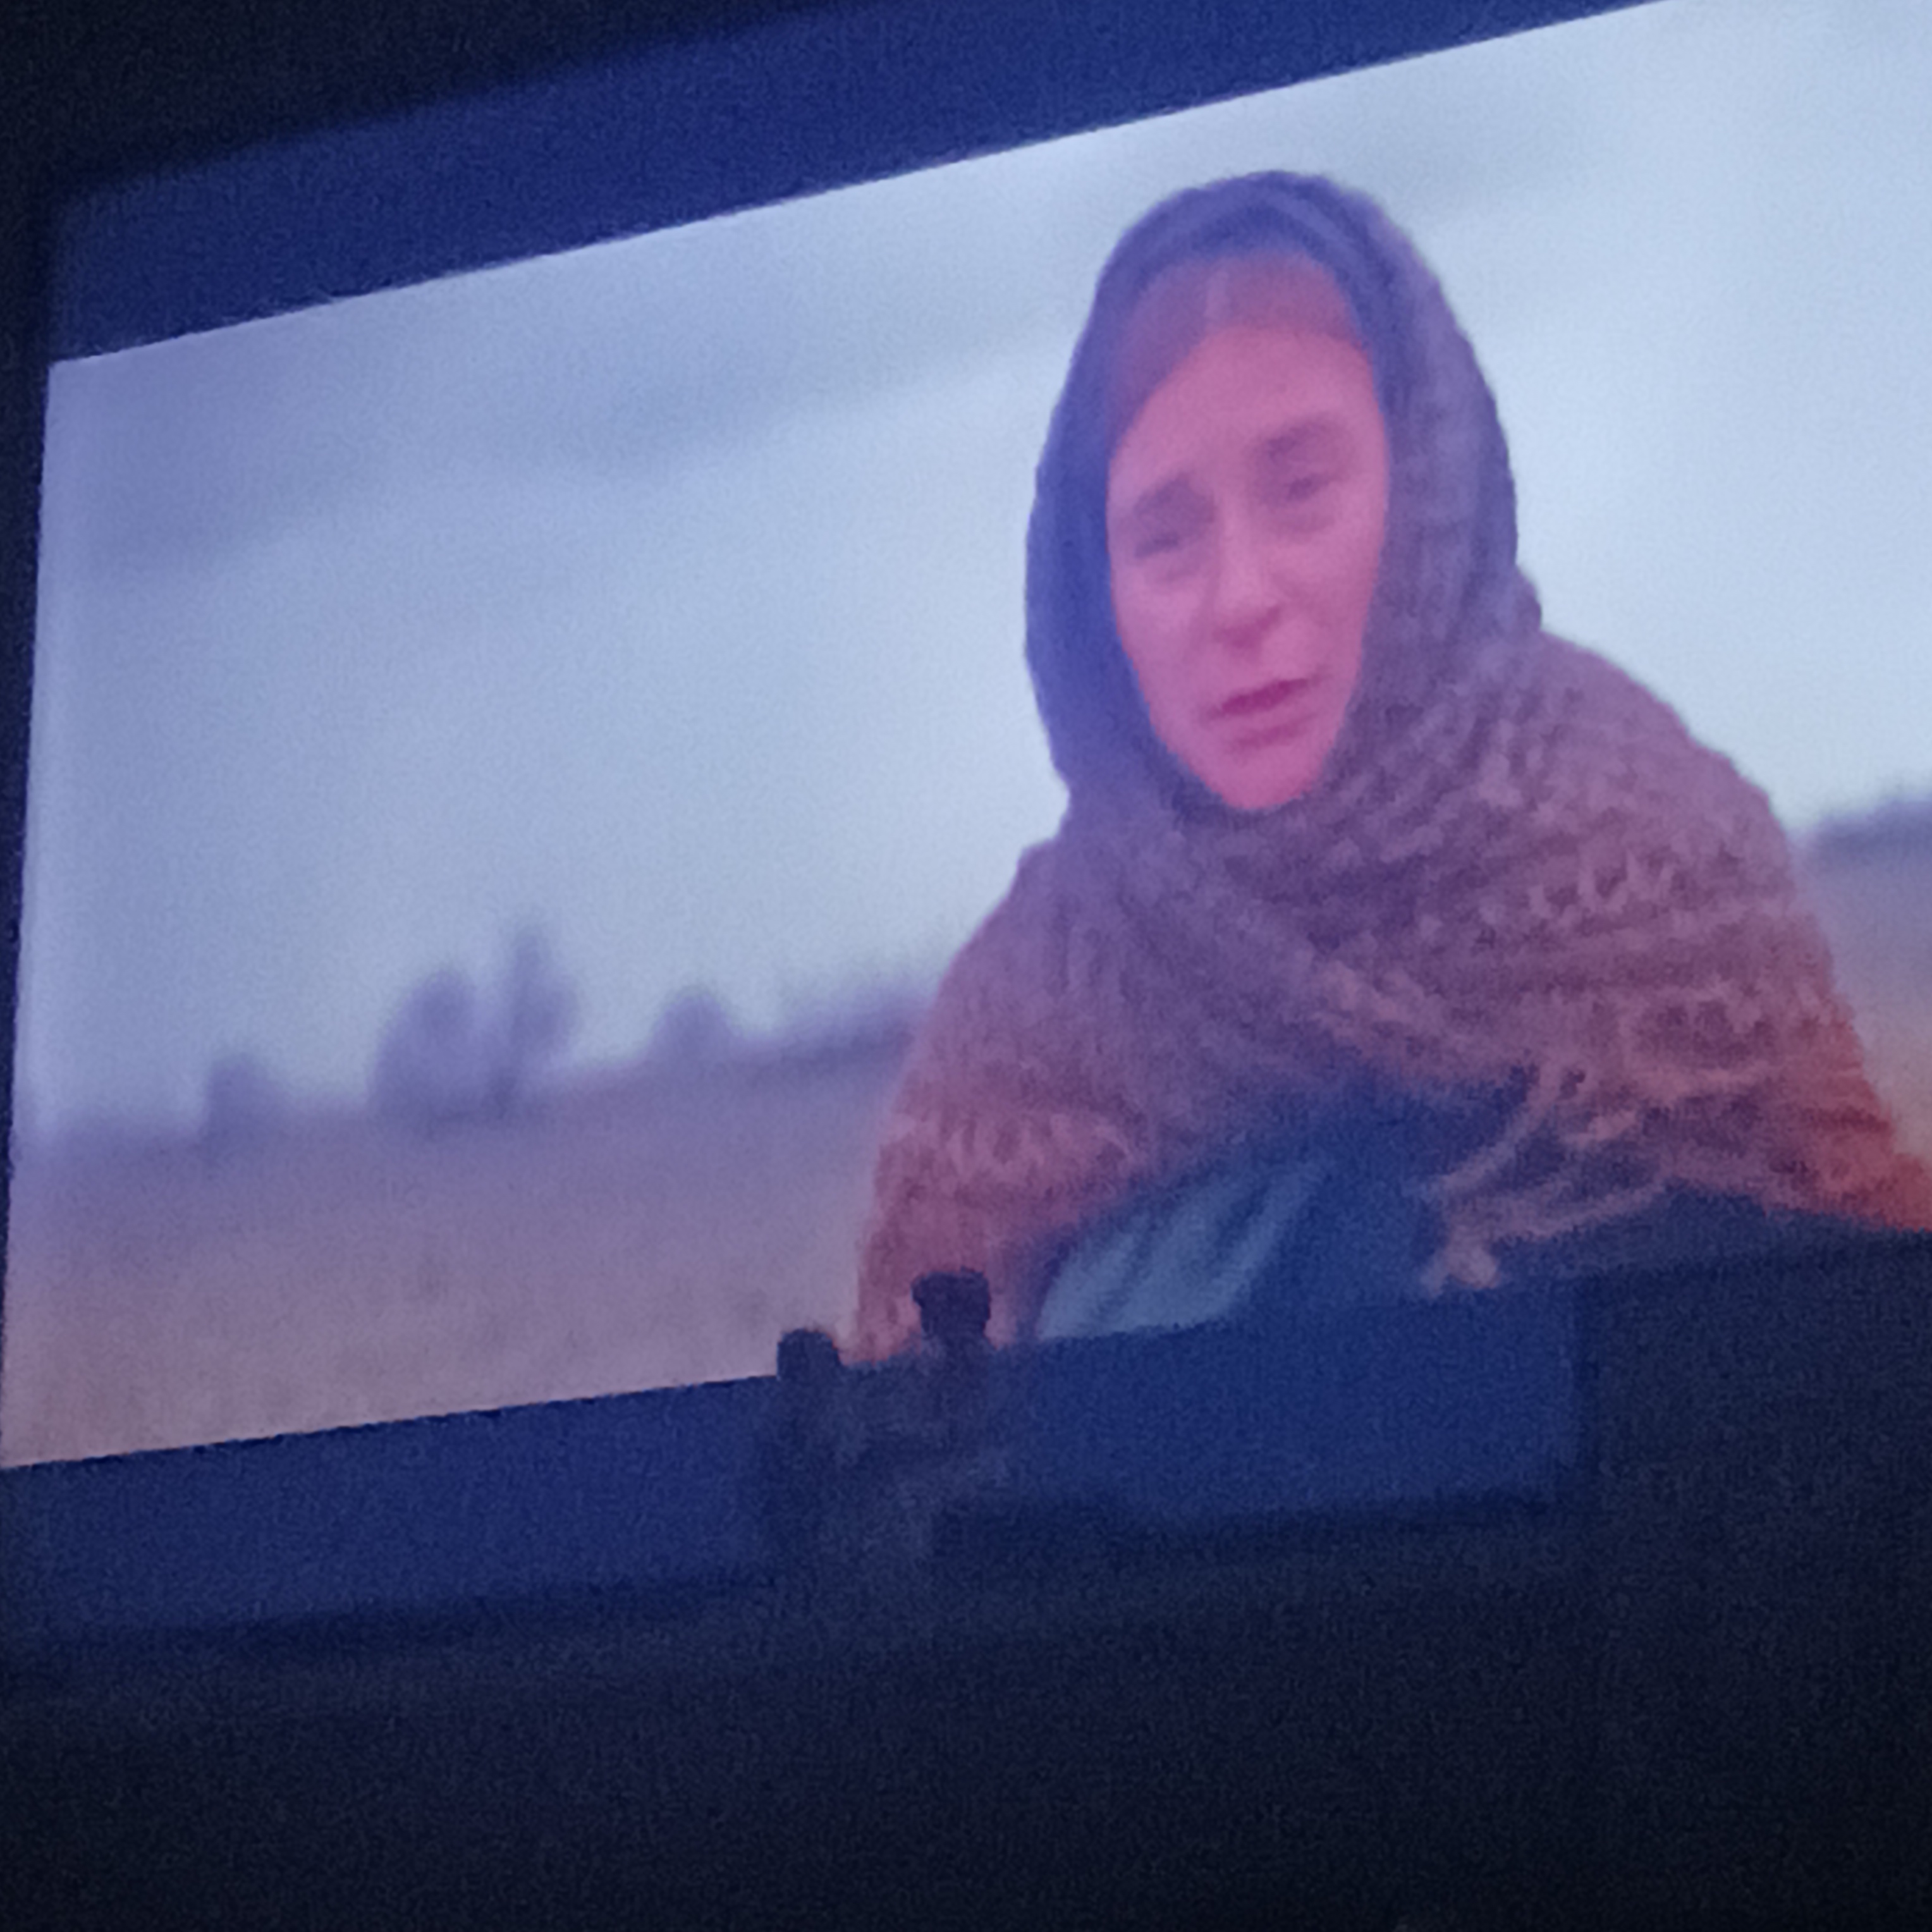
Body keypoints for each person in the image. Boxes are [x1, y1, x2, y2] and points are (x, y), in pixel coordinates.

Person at [849, 172, 1931, 1360]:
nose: (1241, 597)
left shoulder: (1664, 865)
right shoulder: (1017, 1035)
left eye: (1302, 489)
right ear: (1093, 600)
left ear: (1425, 494)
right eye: (1165, 536)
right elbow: (918, 1448)